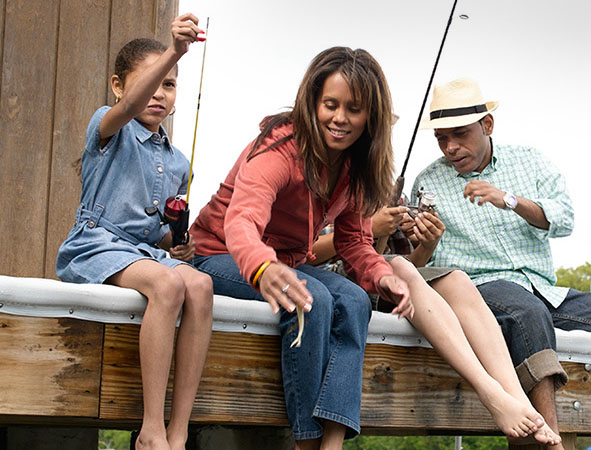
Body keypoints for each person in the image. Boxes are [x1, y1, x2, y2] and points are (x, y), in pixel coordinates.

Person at [410, 78, 591, 450]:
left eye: (460, 134)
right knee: (526, 312)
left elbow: (564, 220)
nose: (450, 147)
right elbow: (418, 264)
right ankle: (549, 442)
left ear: (487, 126)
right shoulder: (427, 182)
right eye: (441, 137)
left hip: (545, 288)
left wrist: (510, 200)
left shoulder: (529, 161)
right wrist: (423, 240)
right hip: (481, 289)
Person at [189, 47, 411, 450]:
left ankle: (334, 440)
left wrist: (383, 276)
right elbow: (241, 221)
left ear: (371, 117)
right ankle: (305, 441)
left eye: (354, 109)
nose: (340, 118)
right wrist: (261, 266)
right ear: (313, 101)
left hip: (286, 263)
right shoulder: (280, 147)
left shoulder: (356, 168)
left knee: (357, 301)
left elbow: (354, 241)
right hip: (221, 255)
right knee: (313, 299)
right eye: (330, 104)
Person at [56, 15, 211, 450]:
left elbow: (158, 230)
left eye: (170, 84)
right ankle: (151, 430)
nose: (160, 92)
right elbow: (126, 110)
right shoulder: (109, 125)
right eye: (152, 80)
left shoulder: (179, 161)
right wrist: (175, 53)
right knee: (165, 284)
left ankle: (178, 432)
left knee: (199, 285)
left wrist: (176, 243)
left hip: (142, 252)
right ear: (119, 85)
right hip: (95, 244)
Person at [312, 206, 561, 445]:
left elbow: (411, 264)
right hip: (329, 274)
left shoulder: (380, 188)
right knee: (398, 266)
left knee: (458, 280)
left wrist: (427, 244)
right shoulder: (327, 181)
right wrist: (370, 229)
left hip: (381, 273)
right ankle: (490, 393)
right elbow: (303, 251)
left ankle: (518, 399)